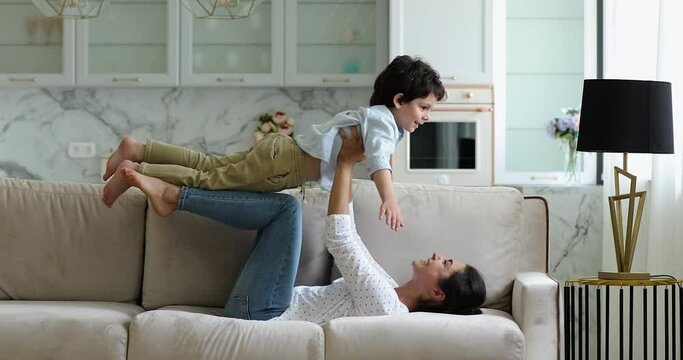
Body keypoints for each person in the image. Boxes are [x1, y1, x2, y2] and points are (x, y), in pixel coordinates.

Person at [115, 126, 486, 323]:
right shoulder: (387, 288)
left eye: (447, 263)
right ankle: (148, 162)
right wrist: (347, 168)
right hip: (264, 304)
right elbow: (349, 232)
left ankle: (172, 195)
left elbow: (339, 238)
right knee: (222, 170)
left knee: (285, 210)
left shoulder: (386, 305)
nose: (439, 255)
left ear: (438, 293)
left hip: (262, 314)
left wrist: (345, 163)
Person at [101, 55, 446, 231]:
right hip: (283, 167)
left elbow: (382, 156)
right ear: (399, 100)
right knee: (209, 179)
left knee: (209, 164)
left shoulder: (379, 121)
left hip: (281, 150)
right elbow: (380, 163)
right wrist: (390, 200)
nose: (427, 116)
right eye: (424, 107)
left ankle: (138, 148)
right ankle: (137, 169)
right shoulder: (383, 122)